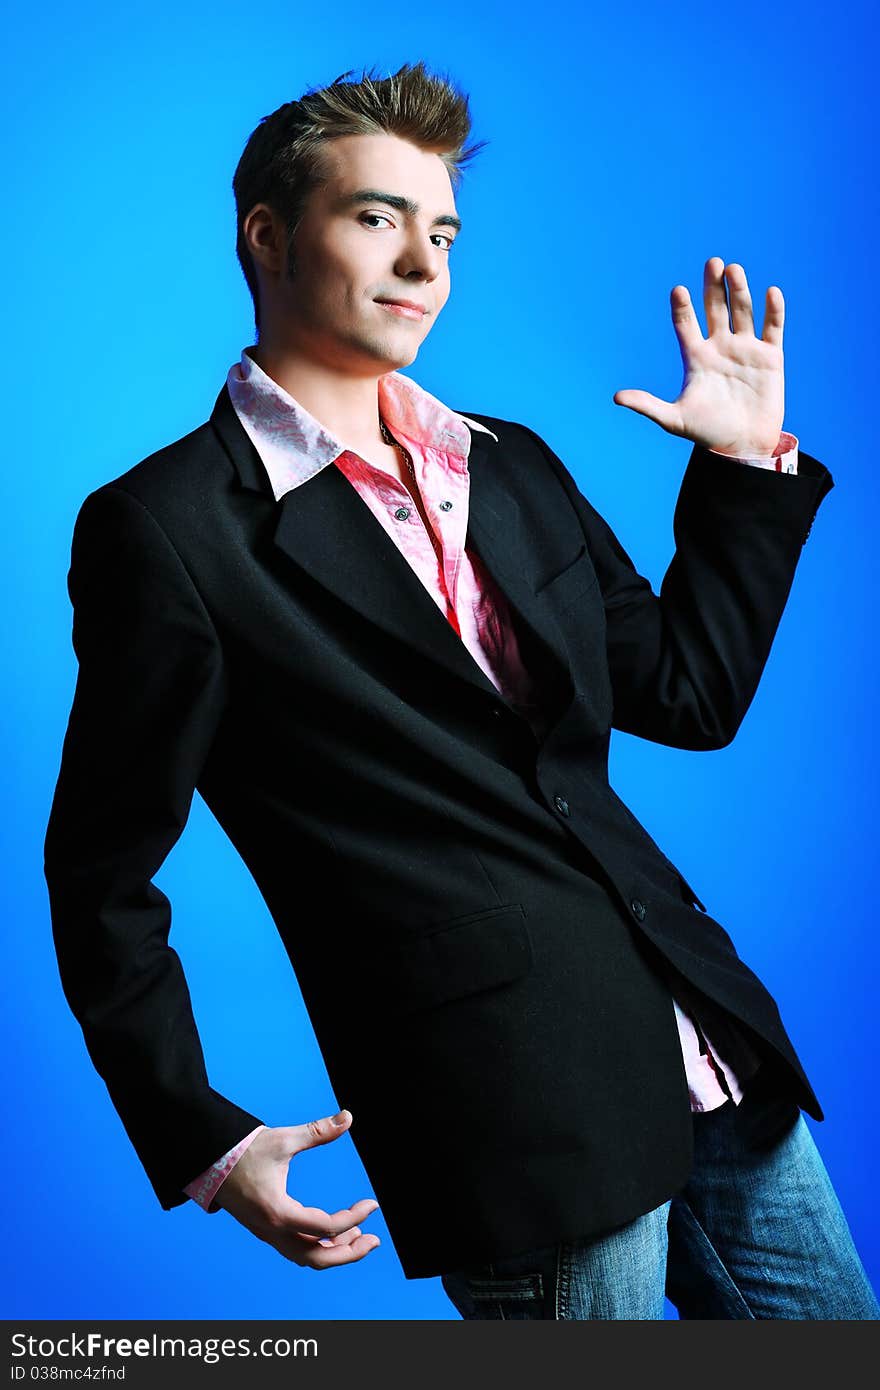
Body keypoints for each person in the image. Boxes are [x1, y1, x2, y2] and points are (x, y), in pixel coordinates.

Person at [43, 61, 878, 1319]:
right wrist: (201, 1137)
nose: (424, 265)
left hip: (702, 1041)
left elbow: (689, 695)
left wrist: (742, 467)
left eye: (441, 232)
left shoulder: (509, 463)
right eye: (377, 218)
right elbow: (98, 871)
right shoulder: (164, 533)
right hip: (511, 1109)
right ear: (266, 235)